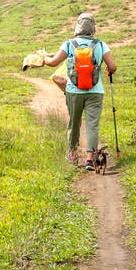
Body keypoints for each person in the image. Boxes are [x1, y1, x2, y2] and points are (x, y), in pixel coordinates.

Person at [41, 12, 116, 171]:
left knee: (74, 122)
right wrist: (109, 71)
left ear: (78, 26)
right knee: (92, 125)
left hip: (74, 91)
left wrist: (43, 58)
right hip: (96, 91)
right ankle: (90, 158)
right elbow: (113, 66)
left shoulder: (69, 44)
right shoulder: (101, 45)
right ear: (93, 28)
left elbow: (53, 63)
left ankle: (73, 154)